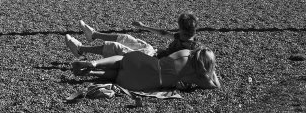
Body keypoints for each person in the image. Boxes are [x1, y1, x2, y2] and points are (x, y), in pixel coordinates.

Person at [71, 47, 221, 91]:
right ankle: (91, 73)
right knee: (116, 77)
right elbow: (216, 87)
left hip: (149, 63)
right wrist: (211, 71)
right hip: (147, 81)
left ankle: (95, 63)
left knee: (123, 61)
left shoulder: (186, 52)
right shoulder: (196, 76)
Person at [65, 12, 201, 59]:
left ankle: (80, 49)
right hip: (153, 52)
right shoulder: (183, 36)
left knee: (116, 47)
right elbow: (164, 33)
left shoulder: (191, 50)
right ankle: (93, 35)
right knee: (126, 38)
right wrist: (143, 27)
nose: (178, 31)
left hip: (152, 61)